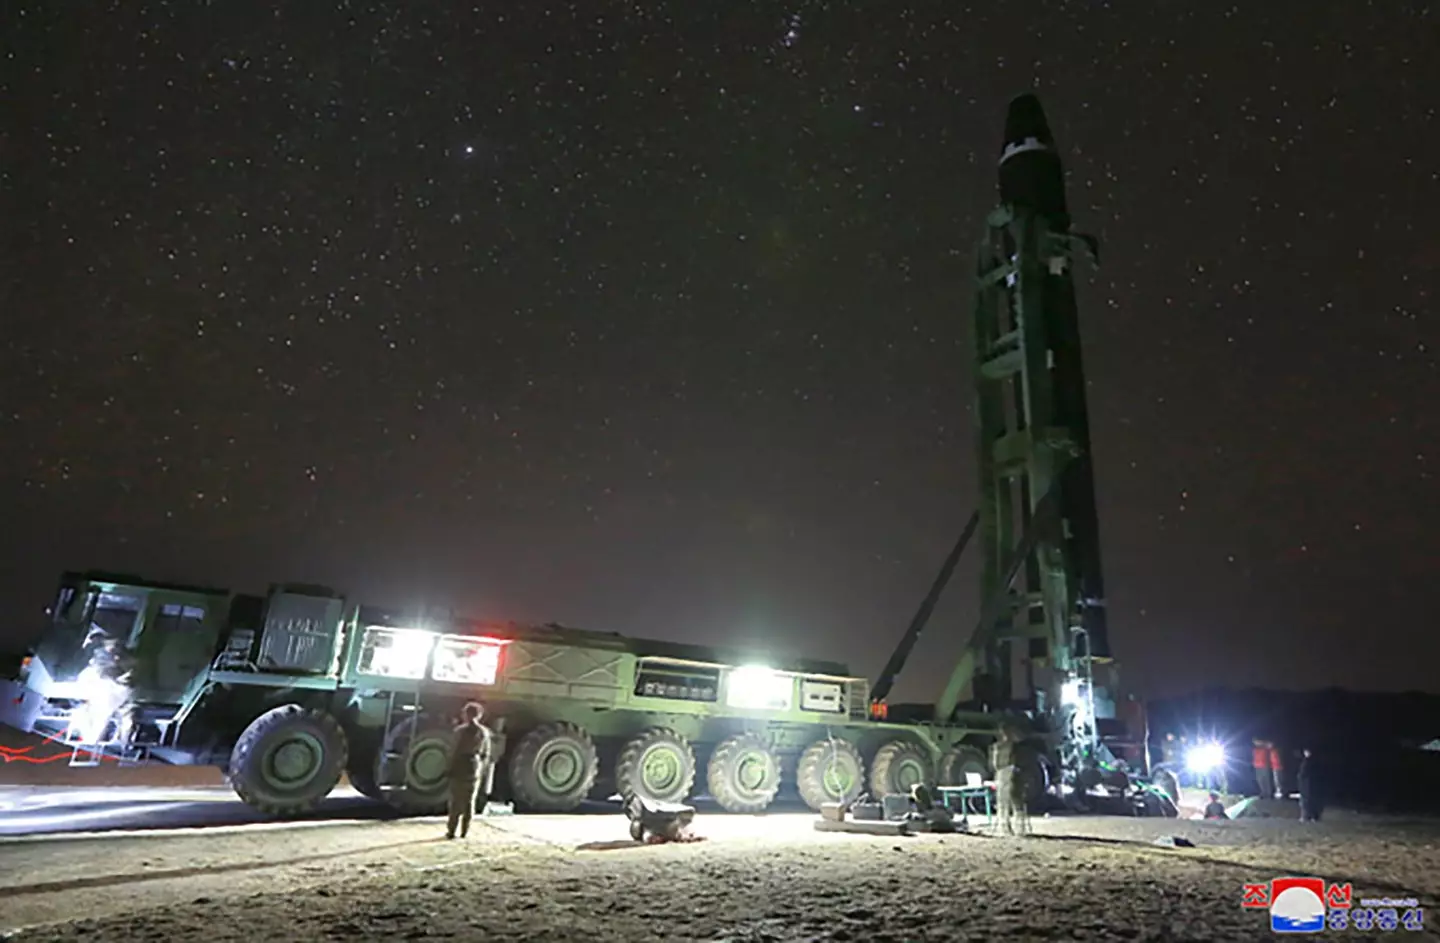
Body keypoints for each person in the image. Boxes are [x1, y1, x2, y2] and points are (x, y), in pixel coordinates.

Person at [445, 702, 493, 840]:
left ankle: (451, 831)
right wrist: (481, 769)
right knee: (469, 801)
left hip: (459, 765)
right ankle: (464, 832)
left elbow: (452, 750)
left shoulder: (459, 731)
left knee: (455, 801)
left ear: (466, 714)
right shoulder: (484, 732)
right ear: (479, 715)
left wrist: (448, 768)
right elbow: (486, 754)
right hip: (473, 766)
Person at [1297, 748, 1321, 822]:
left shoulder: (1306, 762)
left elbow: (1302, 774)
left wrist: (1300, 777)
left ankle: (1305, 816)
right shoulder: (1314, 762)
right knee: (1309, 800)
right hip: (1310, 784)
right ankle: (1312, 816)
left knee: (1305, 800)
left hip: (1306, 784)